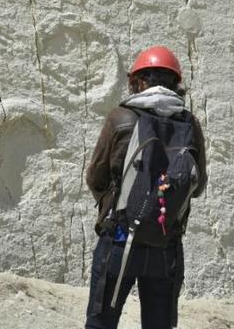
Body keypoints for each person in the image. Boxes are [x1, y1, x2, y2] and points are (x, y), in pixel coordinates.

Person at [84, 46, 207, 329]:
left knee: (101, 323)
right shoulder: (190, 124)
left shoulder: (121, 117)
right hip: (166, 244)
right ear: (176, 83)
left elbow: (95, 177)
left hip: (119, 240)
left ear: (138, 81)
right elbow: (196, 186)